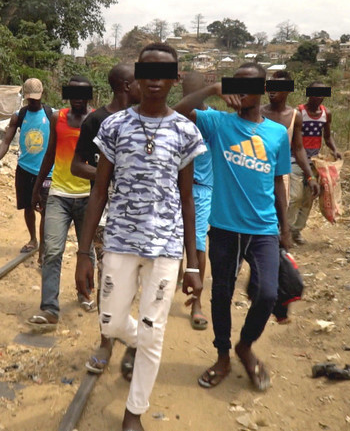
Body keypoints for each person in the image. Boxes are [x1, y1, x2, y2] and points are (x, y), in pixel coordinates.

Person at [74, 42, 205, 431]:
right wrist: (83, 253)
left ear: (174, 79)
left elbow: (187, 199)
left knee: (153, 331)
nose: (154, 82)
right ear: (138, 77)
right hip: (119, 241)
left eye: (163, 75)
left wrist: (193, 264)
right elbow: (99, 191)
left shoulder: (185, 130)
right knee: (111, 323)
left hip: (165, 246)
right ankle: (134, 339)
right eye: (147, 73)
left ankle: (134, 412)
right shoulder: (114, 126)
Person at [174, 63, 292, 392]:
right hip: (225, 227)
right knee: (221, 295)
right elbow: (177, 113)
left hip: (263, 229)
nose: (241, 92)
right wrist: (214, 90)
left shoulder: (277, 133)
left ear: (262, 90)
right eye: (235, 85)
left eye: (248, 86)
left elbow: (278, 182)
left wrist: (285, 228)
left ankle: (245, 346)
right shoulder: (218, 122)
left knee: (268, 293)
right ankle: (223, 355)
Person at [70, 63, 141, 374]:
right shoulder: (96, 121)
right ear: (126, 85)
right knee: (107, 279)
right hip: (105, 216)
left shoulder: (145, 119)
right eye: (138, 81)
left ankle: (132, 337)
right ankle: (105, 340)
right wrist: (106, 176)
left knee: (134, 281)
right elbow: (76, 165)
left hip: (139, 218)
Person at [26, 76, 95, 326]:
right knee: (52, 250)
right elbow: (50, 153)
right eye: (72, 93)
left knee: (87, 250)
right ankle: (49, 308)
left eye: (82, 94)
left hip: (87, 196)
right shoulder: (58, 118)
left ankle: (85, 292)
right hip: (59, 195)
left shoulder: (96, 120)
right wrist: (37, 188)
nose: (77, 98)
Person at [260, 71, 319, 323]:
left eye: (277, 87)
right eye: (269, 86)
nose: (272, 91)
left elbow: (299, 148)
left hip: (279, 179)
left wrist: (310, 176)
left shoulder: (294, 116)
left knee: (275, 231)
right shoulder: (257, 112)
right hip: (256, 177)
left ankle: (276, 295)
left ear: (288, 91)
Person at [0, 78, 53, 262]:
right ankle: (33, 239)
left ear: (42, 95)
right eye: (30, 98)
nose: (33, 101)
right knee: (27, 206)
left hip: (46, 173)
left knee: (45, 211)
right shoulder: (19, 115)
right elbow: (6, 141)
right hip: (24, 170)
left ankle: (43, 250)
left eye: (35, 98)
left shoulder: (51, 115)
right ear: (25, 96)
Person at [287, 81, 341, 245]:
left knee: (308, 198)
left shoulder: (326, 113)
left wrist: (334, 149)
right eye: (316, 93)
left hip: (315, 161)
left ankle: (296, 231)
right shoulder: (298, 112)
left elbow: (327, 136)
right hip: (295, 159)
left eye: (322, 94)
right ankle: (285, 230)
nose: (319, 97)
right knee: (295, 196)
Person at [180, 72, 212, 331]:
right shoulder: (176, 117)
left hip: (201, 191)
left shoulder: (214, 120)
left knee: (198, 244)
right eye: (185, 95)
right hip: (174, 189)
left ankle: (197, 302)